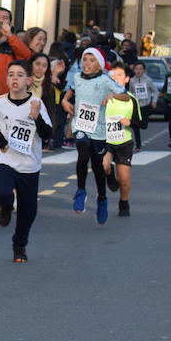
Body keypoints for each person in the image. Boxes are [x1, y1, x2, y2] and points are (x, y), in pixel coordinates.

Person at [0, 60, 49, 262]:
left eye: (20, 75)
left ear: (28, 80)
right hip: (5, 159)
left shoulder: (36, 103)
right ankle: (5, 205)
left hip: (29, 164)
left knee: (28, 211)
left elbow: (47, 135)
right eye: (11, 74)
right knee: (0, 192)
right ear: (6, 79)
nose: (15, 78)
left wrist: (36, 117)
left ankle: (19, 245)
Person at [61, 47, 126, 223]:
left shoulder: (105, 80)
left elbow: (125, 95)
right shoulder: (77, 77)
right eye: (85, 59)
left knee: (98, 167)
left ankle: (102, 199)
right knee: (83, 154)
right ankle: (81, 191)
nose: (87, 63)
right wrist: (65, 101)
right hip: (81, 125)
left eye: (92, 60)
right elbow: (70, 91)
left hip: (99, 129)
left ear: (99, 64)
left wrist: (113, 95)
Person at [99, 62, 137, 217]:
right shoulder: (103, 97)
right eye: (112, 75)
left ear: (126, 79)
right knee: (104, 165)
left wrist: (130, 122)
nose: (115, 78)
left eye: (119, 75)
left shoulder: (131, 99)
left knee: (124, 178)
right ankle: (109, 176)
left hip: (124, 141)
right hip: (106, 140)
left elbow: (142, 123)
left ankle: (124, 202)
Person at [128, 59, 155, 151]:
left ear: (144, 70)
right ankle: (138, 145)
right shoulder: (132, 81)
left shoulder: (148, 80)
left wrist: (154, 101)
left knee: (143, 125)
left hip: (145, 105)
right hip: (136, 106)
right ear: (134, 70)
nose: (138, 71)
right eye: (136, 69)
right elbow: (130, 92)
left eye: (140, 69)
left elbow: (155, 91)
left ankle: (142, 124)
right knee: (135, 126)